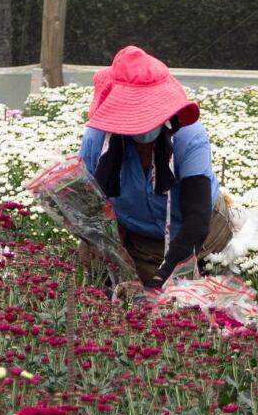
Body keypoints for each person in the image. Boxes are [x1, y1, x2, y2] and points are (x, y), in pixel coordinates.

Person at [77, 46, 232, 289]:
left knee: (200, 305)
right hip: (138, 244)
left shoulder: (188, 136)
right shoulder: (97, 141)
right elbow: (87, 207)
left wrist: (170, 268)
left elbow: (197, 218)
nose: (144, 126)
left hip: (201, 243)